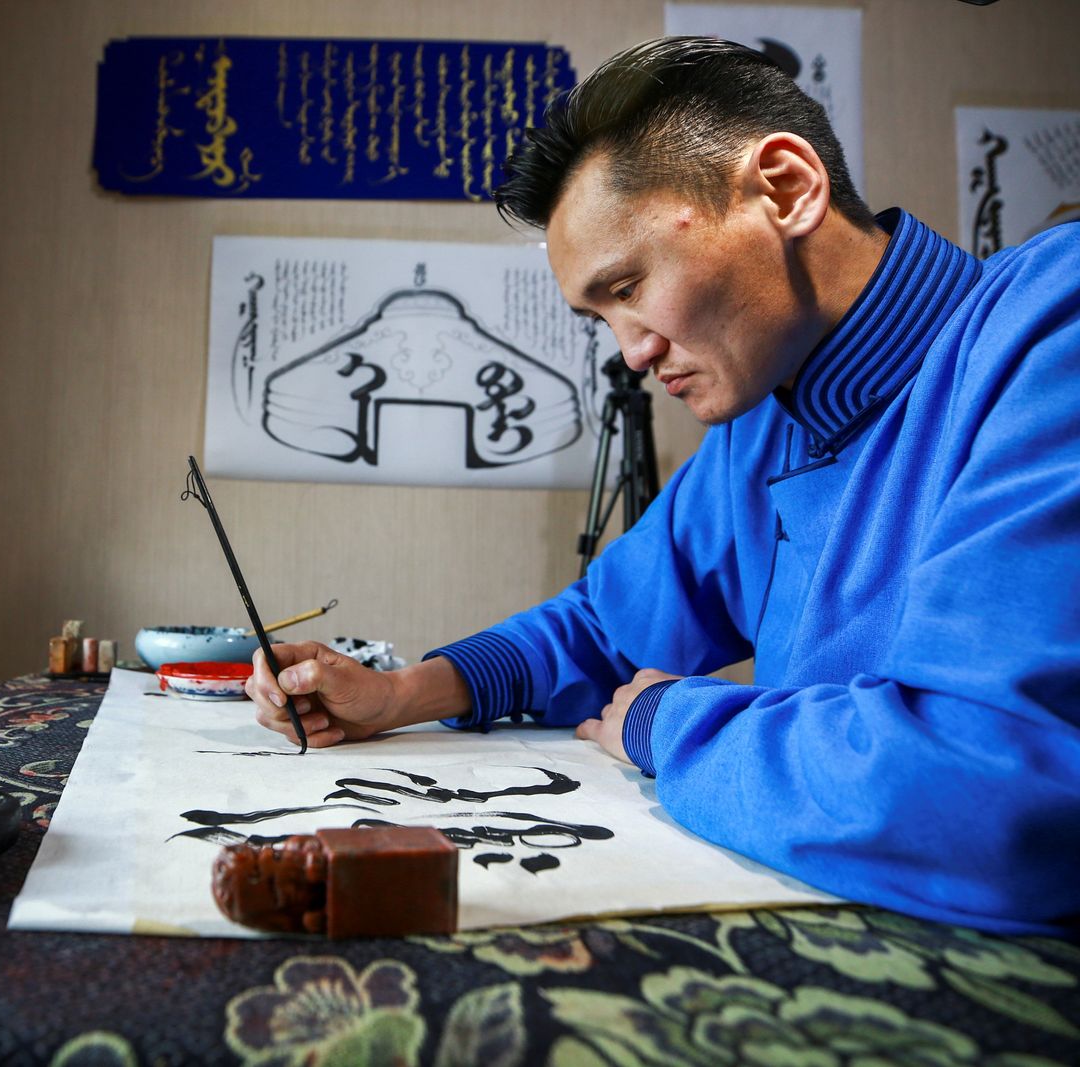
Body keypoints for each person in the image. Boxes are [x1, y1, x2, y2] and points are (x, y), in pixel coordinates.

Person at [244, 36, 1080, 936]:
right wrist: (403, 693)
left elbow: (988, 798)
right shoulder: (761, 420)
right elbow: (607, 624)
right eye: (601, 316)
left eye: (630, 285)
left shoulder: (1047, 326)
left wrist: (665, 718)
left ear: (787, 190)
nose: (631, 352)